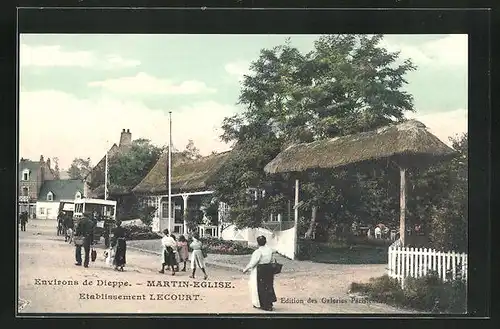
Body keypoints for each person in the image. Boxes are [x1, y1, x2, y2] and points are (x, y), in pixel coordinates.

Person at [242, 235, 277, 311]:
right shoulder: (270, 250)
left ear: (257, 243)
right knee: (268, 286)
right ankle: (269, 303)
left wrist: (246, 269)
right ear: (265, 242)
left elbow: (253, 263)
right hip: (268, 269)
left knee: (259, 287)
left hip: (260, 270)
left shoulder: (258, 252)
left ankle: (261, 304)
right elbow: (272, 260)